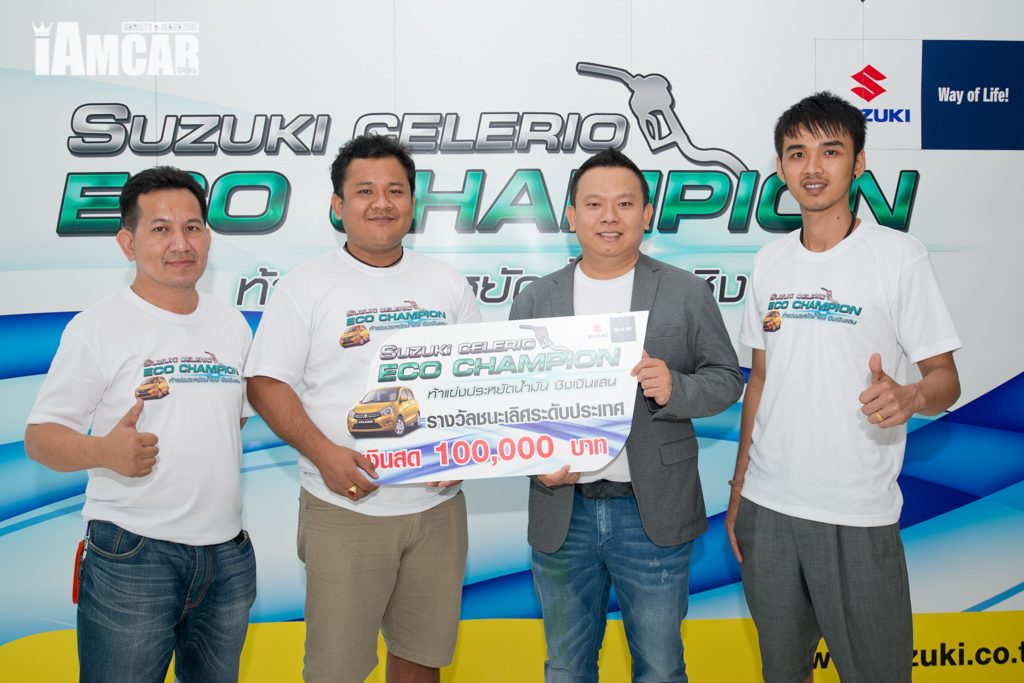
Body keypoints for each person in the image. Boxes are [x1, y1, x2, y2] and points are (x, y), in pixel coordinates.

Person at [725, 91, 962, 683]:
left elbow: (946, 379)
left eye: (830, 152)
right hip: (768, 509)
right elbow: (761, 380)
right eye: (797, 153)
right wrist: (739, 488)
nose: (812, 167)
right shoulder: (769, 261)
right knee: (783, 672)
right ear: (780, 168)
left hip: (856, 512)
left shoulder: (898, 257)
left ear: (858, 163)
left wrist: (911, 396)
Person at [244, 134, 481, 683]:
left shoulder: (446, 283)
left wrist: (467, 451)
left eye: (395, 190)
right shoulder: (305, 286)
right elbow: (265, 383)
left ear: (413, 203)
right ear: (338, 205)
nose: (382, 203)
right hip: (346, 507)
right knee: (337, 669)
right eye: (365, 191)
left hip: (437, 507)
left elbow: (476, 384)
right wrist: (324, 454)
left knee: (422, 658)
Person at [509, 148, 743, 682]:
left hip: (651, 510)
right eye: (594, 204)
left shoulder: (685, 292)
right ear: (572, 216)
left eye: (624, 204)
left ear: (646, 213)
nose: (609, 217)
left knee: (660, 668)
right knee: (566, 668)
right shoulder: (536, 300)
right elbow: (511, 405)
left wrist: (676, 387)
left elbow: (727, 378)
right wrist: (533, 463)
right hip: (562, 510)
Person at [24, 166, 257, 683]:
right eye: (161, 229)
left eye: (192, 227)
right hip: (133, 556)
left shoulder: (232, 323)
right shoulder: (96, 329)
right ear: (128, 243)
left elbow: (230, 422)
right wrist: (104, 452)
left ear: (208, 236)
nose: (181, 243)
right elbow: (39, 438)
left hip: (227, 556)